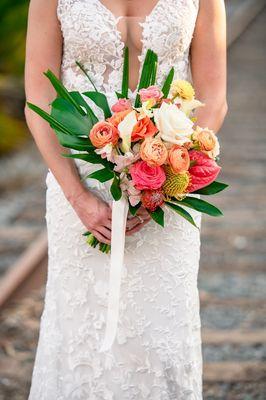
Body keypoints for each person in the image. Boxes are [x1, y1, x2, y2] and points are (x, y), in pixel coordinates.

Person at [25, 1, 227, 398]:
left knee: (160, 331)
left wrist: (163, 183)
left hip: (168, 184)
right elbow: (39, 97)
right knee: (81, 329)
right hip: (79, 182)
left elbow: (214, 97)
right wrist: (77, 197)